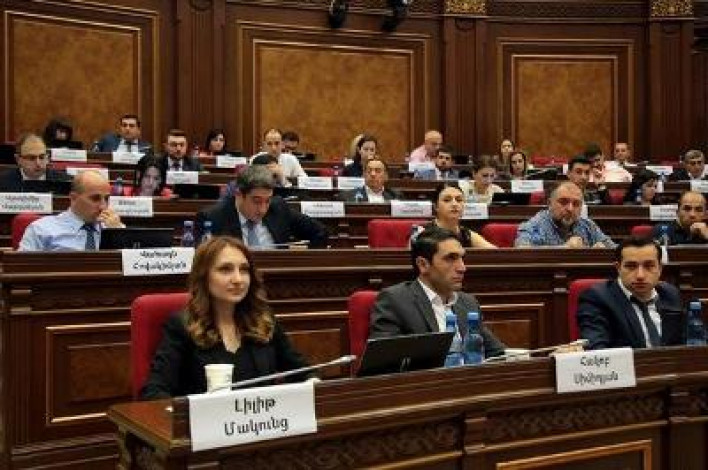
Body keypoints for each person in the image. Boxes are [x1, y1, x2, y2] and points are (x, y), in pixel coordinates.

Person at [140, 236, 311, 398]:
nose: (238, 279)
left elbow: (303, 372)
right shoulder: (183, 326)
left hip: (262, 417)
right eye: (225, 269)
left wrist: (313, 381)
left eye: (244, 270)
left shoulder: (264, 320)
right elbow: (154, 392)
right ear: (204, 276)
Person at [369, 226, 505, 358]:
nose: (462, 268)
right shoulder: (395, 301)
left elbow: (498, 354)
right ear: (423, 264)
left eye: (461, 258)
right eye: (450, 258)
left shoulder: (468, 303)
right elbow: (383, 363)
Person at [576, 236, 684, 350]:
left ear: (660, 268)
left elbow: (682, 343)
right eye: (631, 267)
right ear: (618, 268)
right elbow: (597, 351)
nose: (640, 275)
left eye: (649, 266)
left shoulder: (670, 294)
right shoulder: (597, 299)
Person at [197, 165, 328, 248]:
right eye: (256, 201)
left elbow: (320, 232)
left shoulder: (278, 208)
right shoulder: (212, 218)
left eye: (267, 200)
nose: (263, 209)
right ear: (239, 195)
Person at [19, 170, 124, 251]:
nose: (103, 206)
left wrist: (116, 234)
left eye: (106, 198)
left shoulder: (114, 227)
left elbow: (130, 267)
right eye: (95, 198)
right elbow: (22, 267)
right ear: (73, 198)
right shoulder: (40, 229)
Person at [514, 181, 616, 248]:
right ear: (549, 204)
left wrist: (603, 250)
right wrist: (564, 248)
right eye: (563, 202)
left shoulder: (588, 226)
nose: (570, 209)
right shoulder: (536, 225)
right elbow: (522, 249)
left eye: (576, 204)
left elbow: (617, 250)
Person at [420, 183, 496, 248]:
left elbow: (496, 254)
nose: (454, 204)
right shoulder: (422, 232)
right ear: (436, 206)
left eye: (459, 200)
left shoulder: (466, 234)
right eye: (447, 200)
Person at [0, 133, 70, 192]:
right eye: (31, 158)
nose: (38, 163)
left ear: (48, 158)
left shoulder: (65, 181)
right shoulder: (3, 182)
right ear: (18, 159)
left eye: (42, 157)